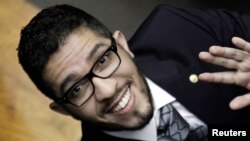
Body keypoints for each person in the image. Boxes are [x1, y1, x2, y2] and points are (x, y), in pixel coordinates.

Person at [17, 4, 250, 141]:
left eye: (103, 59)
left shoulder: (178, 28)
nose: (108, 90)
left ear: (122, 44)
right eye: (77, 89)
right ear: (63, 110)